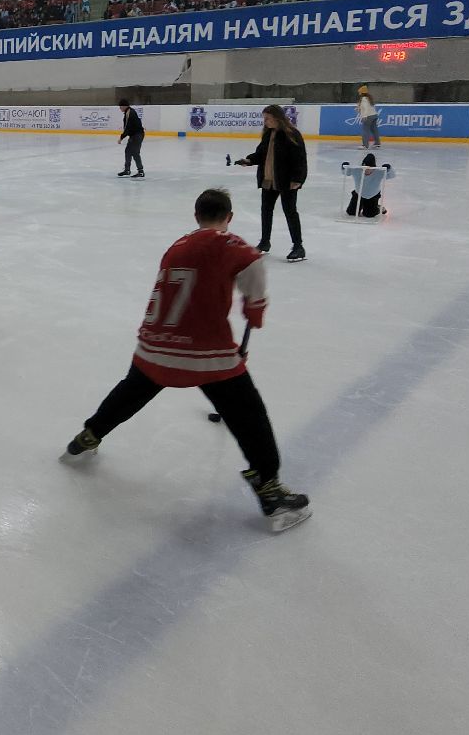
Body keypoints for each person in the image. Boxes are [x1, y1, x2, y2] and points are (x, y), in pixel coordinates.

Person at [61, 188, 310, 530]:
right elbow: (254, 281)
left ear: (196, 217)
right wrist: (255, 315)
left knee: (130, 393)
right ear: (229, 217)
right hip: (205, 354)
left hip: (154, 344)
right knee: (248, 415)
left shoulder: (176, 246)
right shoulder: (236, 246)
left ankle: (86, 438)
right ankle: (269, 488)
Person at [233, 104, 307, 261]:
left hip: (287, 181)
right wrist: (249, 160)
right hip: (268, 180)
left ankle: (298, 246)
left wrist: (298, 179)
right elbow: (261, 154)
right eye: (264, 118)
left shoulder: (292, 134)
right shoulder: (268, 134)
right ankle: (265, 242)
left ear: (277, 118)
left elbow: (300, 159)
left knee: (290, 212)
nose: (265, 121)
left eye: (267, 118)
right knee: (266, 211)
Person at [117, 99, 145, 178]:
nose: (120, 108)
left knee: (135, 153)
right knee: (128, 151)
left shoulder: (129, 113)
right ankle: (127, 170)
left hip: (137, 135)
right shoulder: (128, 112)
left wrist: (121, 137)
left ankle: (140, 171)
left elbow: (127, 127)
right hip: (134, 135)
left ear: (124, 106)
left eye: (120, 106)